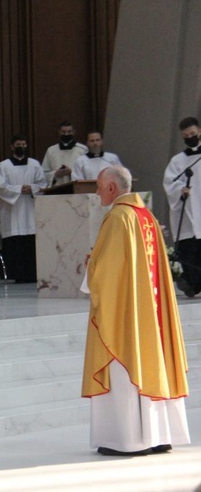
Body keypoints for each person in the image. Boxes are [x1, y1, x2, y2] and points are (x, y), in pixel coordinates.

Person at [82, 165, 190, 456]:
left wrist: (91, 265)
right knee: (153, 360)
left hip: (127, 314)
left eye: (99, 187)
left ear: (112, 189)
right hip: (151, 313)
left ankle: (128, 439)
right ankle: (158, 435)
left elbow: (106, 274)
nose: (97, 192)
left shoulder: (118, 218)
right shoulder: (147, 217)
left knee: (124, 362)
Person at [0, 134, 47, 283]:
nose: (21, 147)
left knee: (30, 241)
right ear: (12, 147)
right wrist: (19, 189)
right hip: (12, 210)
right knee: (15, 242)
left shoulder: (34, 164)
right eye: (18, 144)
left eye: (24, 144)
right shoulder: (3, 166)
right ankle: (16, 274)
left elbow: (43, 183)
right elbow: (0, 187)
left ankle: (32, 274)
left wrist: (32, 188)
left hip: (30, 208)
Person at [163, 116, 201, 298]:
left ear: (199, 132)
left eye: (193, 134)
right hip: (186, 213)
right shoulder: (177, 161)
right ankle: (192, 284)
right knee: (189, 251)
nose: (190, 138)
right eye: (186, 136)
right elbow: (169, 183)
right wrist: (181, 190)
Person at [41, 120, 88, 187]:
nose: (66, 134)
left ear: (74, 132)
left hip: (76, 188)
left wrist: (71, 172)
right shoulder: (51, 150)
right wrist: (55, 174)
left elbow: (88, 172)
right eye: (63, 132)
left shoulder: (83, 150)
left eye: (69, 132)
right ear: (59, 132)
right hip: (56, 189)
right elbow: (43, 173)